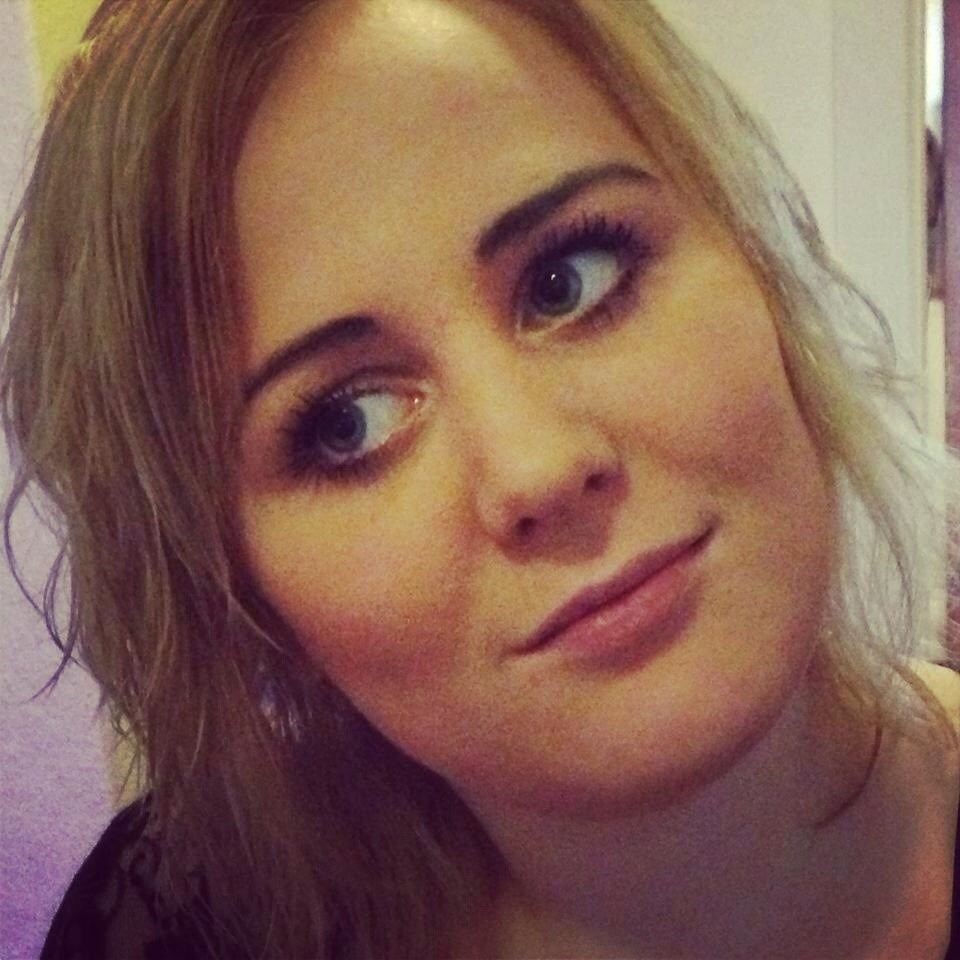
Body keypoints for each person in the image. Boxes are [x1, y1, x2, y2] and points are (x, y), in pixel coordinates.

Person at [3, 0, 958, 957]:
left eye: (570, 276)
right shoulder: (174, 928)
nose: (538, 468)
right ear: (247, 596)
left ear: (758, 260)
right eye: (348, 423)